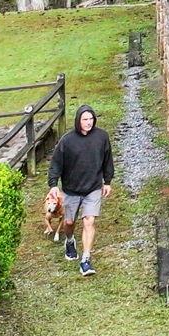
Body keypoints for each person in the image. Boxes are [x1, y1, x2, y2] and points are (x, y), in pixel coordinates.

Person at [45, 104, 114, 276]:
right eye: (85, 119)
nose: (89, 123)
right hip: (71, 190)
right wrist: (53, 184)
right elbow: (56, 164)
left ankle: (86, 259)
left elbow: (107, 160)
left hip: (93, 188)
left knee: (89, 221)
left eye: (91, 119)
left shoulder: (102, 137)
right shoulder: (67, 141)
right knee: (69, 223)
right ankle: (69, 240)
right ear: (78, 121)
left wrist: (107, 181)